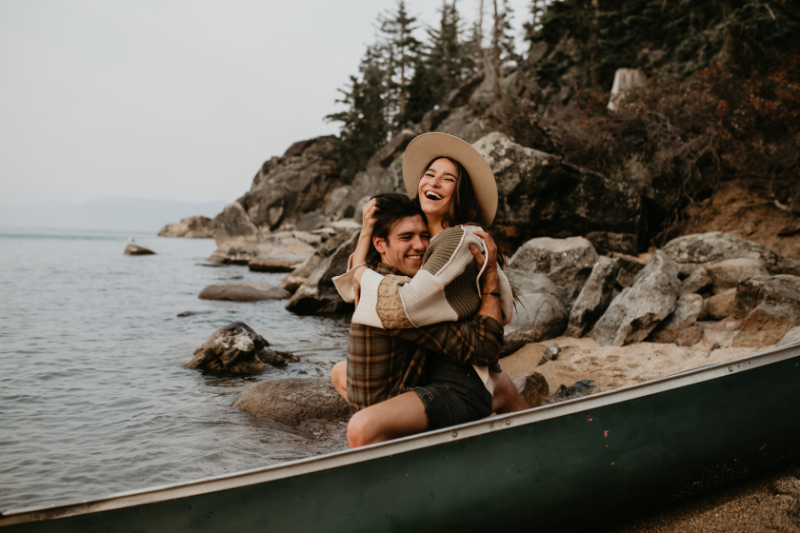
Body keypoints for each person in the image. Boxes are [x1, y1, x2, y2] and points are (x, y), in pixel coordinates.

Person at [334, 133, 527, 446]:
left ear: (460, 192)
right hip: (436, 370)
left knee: (362, 425)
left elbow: (402, 304)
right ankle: (505, 402)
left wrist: (362, 275)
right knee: (342, 372)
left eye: (447, 179)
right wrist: (367, 234)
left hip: (456, 382)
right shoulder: (431, 243)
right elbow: (357, 294)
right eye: (429, 174)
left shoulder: (456, 239)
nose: (434, 183)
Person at [330, 193, 507, 414]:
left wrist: (365, 234)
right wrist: (491, 278)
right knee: (503, 386)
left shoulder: (374, 279)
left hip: (378, 395)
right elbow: (484, 349)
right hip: (387, 417)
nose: (420, 246)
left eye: (425, 236)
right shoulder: (401, 302)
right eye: (406, 237)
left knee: (339, 371)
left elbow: (352, 280)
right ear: (380, 244)